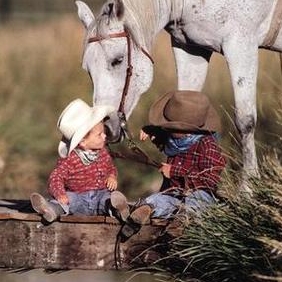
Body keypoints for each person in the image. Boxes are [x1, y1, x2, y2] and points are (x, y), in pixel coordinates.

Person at [120, 90, 227, 239]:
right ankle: (142, 212)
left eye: (169, 126)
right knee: (158, 200)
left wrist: (175, 171)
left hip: (199, 194)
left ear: (184, 130)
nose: (165, 128)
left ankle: (180, 224)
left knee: (195, 203)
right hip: (174, 193)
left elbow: (210, 179)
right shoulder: (175, 140)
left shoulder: (207, 145)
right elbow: (163, 137)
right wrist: (150, 129)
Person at [30, 99, 129, 223]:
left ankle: (120, 210)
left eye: (104, 133)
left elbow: (110, 168)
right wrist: (60, 193)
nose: (104, 136)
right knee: (68, 199)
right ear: (82, 142)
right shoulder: (70, 159)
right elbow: (56, 177)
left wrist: (112, 176)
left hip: (100, 195)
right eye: (99, 134)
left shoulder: (103, 153)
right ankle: (51, 210)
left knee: (108, 199)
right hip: (79, 198)